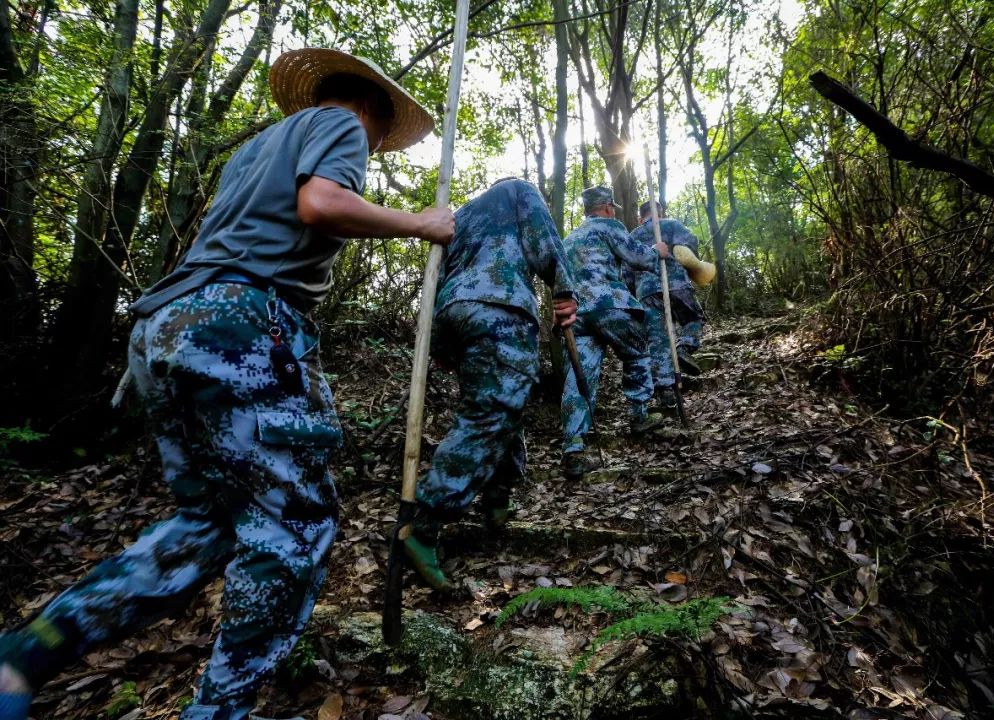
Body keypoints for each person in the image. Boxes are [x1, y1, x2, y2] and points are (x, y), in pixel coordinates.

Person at [0, 48, 454, 720]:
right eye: (381, 134)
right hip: (242, 324)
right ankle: (218, 710)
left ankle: (31, 653)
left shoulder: (257, 151)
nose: (376, 145)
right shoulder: (341, 125)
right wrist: (420, 223)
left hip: (166, 327)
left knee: (210, 520)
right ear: (373, 113)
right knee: (294, 522)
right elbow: (322, 203)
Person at [403, 178, 578, 590]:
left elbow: (438, 270)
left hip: (453, 312)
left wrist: (439, 341)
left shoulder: (460, 216)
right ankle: (422, 524)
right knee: (491, 413)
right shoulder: (518, 190)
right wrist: (563, 288)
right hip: (498, 305)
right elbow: (543, 239)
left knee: (503, 403)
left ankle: (497, 499)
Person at [560, 186, 667, 479]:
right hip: (609, 305)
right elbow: (638, 258)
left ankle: (573, 447)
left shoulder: (569, 239)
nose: (615, 211)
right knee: (636, 351)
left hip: (577, 315)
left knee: (580, 376)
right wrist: (656, 252)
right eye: (613, 207)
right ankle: (639, 415)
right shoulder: (609, 226)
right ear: (607, 207)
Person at [628, 201, 708, 408]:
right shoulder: (672, 225)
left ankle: (664, 389)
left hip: (646, 292)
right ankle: (685, 347)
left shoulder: (633, 237)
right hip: (676, 284)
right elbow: (689, 248)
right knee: (693, 318)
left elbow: (626, 272)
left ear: (640, 217)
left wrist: (634, 292)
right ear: (660, 212)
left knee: (657, 340)